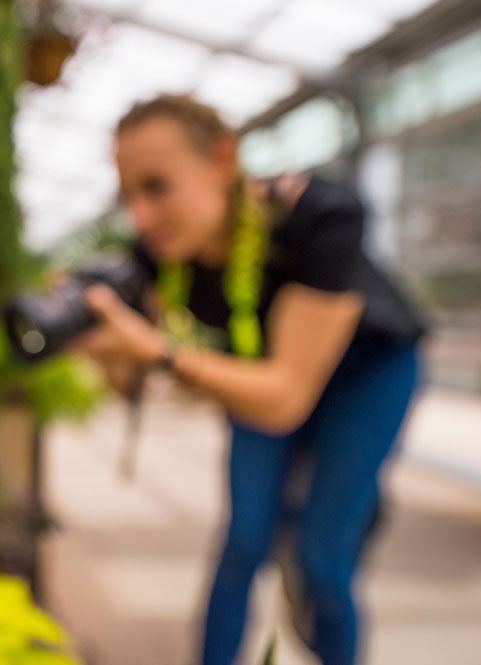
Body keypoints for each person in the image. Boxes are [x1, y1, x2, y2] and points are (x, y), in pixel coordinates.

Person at [75, 95, 424, 665]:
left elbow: (285, 397)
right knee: (243, 543)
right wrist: (99, 340)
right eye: (129, 195)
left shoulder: (319, 216)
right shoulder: (158, 254)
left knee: (323, 558)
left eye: (157, 186)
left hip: (368, 374)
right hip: (263, 378)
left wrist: (159, 352)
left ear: (221, 159)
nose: (140, 215)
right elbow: (125, 382)